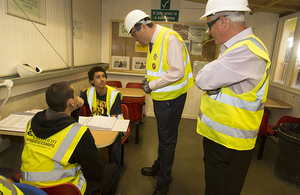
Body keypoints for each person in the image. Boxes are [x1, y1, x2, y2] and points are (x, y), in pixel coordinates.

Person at [195, 0, 271, 194]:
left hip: (230, 145)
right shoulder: (236, 48)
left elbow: (203, 79)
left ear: (222, 22)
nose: (209, 32)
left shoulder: (245, 51)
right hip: (222, 141)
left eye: (209, 26)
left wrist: (212, 84)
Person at [124, 10, 194, 195]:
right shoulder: (155, 41)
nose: (134, 39)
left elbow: (177, 71)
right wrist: (150, 81)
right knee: (164, 138)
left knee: (167, 140)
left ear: (142, 27)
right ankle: (159, 166)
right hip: (163, 98)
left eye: (134, 34)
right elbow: (159, 67)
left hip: (171, 99)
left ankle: (163, 182)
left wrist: (151, 85)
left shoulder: (170, 38)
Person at [20, 82, 119, 195]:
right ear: (71, 102)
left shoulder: (32, 123)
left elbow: (65, 123)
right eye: (76, 95)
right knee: (112, 169)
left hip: (28, 189)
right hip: (63, 189)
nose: (78, 98)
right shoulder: (79, 133)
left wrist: (75, 109)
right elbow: (95, 172)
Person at [80, 66, 123, 179]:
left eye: (103, 76)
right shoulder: (89, 92)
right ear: (92, 81)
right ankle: (90, 172)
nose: (102, 79)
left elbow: (113, 118)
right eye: (98, 77)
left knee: (114, 147)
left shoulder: (114, 94)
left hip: (113, 126)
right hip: (96, 125)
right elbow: (78, 103)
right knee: (82, 142)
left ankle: (115, 174)